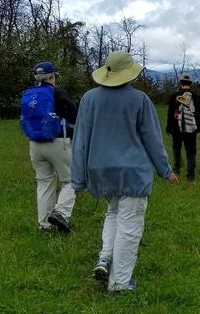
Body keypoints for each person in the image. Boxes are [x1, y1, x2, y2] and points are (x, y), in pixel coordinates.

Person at [71, 50, 178, 292]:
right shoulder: (140, 100)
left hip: (100, 170)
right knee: (130, 224)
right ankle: (120, 281)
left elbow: (80, 141)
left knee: (113, 212)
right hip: (132, 171)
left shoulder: (88, 99)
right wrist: (165, 170)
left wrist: (77, 181)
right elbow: (153, 140)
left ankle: (105, 257)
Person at [21, 61, 77, 234]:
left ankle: (44, 225)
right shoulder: (58, 94)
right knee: (73, 180)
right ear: (53, 76)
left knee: (44, 183)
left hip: (35, 144)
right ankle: (60, 212)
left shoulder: (29, 95)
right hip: (58, 142)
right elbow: (75, 116)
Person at [166, 72, 200, 181]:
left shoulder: (175, 96)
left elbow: (170, 112)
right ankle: (190, 175)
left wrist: (169, 127)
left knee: (176, 148)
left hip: (177, 128)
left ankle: (176, 169)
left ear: (181, 82)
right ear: (190, 83)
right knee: (191, 152)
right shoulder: (196, 97)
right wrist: (199, 128)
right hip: (191, 128)